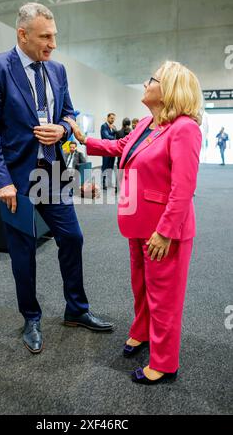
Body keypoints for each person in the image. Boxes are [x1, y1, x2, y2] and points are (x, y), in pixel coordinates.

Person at [0, 2, 113, 355]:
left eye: (55, 36)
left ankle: (76, 309)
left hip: (50, 171)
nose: (52, 44)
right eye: (45, 37)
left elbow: (69, 111)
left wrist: (62, 127)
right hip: (15, 178)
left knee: (73, 237)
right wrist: (1, 180)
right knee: (24, 250)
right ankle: (31, 317)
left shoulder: (58, 70)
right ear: (23, 34)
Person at [65, 61, 202, 384]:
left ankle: (165, 363)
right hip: (137, 221)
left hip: (163, 230)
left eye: (151, 79)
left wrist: (166, 232)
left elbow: (183, 188)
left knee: (164, 296)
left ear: (167, 89)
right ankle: (142, 331)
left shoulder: (185, 128)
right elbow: (121, 147)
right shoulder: (146, 123)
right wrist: (85, 140)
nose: (144, 83)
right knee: (141, 287)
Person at [101, 113, 117, 189]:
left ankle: (109, 182)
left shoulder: (114, 127)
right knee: (105, 167)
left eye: (113, 118)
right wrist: (115, 139)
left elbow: (116, 135)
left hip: (112, 151)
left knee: (111, 167)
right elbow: (106, 136)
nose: (112, 120)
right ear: (107, 118)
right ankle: (104, 183)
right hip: (105, 150)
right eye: (111, 118)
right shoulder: (104, 126)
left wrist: (114, 131)